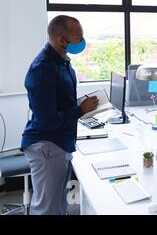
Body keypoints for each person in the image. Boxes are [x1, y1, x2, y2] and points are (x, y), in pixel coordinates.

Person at [21, 15, 99, 214]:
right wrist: (81, 109)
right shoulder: (43, 69)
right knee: (47, 208)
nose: (82, 42)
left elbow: (61, 102)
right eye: (78, 38)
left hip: (60, 142)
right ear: (61, 40)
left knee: (58, 204)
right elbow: (48, 120)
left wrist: (82, 105)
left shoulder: (62, 62)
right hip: (47, 145)